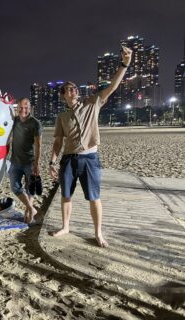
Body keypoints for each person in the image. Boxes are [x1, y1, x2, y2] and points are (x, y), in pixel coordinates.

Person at [49, 46, 133, 248]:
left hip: (89, 158)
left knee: (94, 197)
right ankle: (66, 226)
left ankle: (98, 233)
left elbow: (112, 87)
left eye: (75, 87)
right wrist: (52, 161)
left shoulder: (92, 103)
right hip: (68, 159)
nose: (74, 90)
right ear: (63, 96)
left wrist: (124, 64)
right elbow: (58, 141)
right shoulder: (61, 116)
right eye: (69, 89)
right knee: (66, 195)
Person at [9, 98, 42, 224]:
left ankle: (28, 212)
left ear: (30, 108)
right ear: (17, 108)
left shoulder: (35, 123)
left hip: (30, 162)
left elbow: (38, 145)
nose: (23, 109)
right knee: (15, 187)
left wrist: (37, 163)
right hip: (15, 162)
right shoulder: (15, 120)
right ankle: (31, 209)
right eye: (21, 107)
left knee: (30, 189)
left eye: (26, 107)